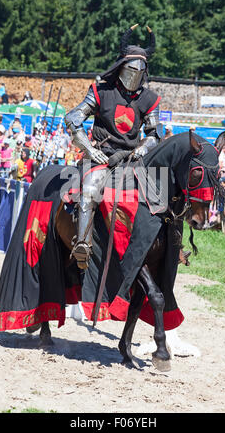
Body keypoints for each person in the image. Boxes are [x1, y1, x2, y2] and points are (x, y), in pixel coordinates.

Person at [65, 24, 162, 270]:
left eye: (139, 72)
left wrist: (141, 149)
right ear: (121, 67)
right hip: (101, 157)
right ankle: (83, 245)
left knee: (160, 195)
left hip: (132, 158)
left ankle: (168, 245)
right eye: (130, 70)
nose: (134, 76)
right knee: (89, 190)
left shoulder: (150, 100)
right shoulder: (101, 90)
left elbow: (154, 134)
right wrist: (89, 150)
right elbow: (74, 119)